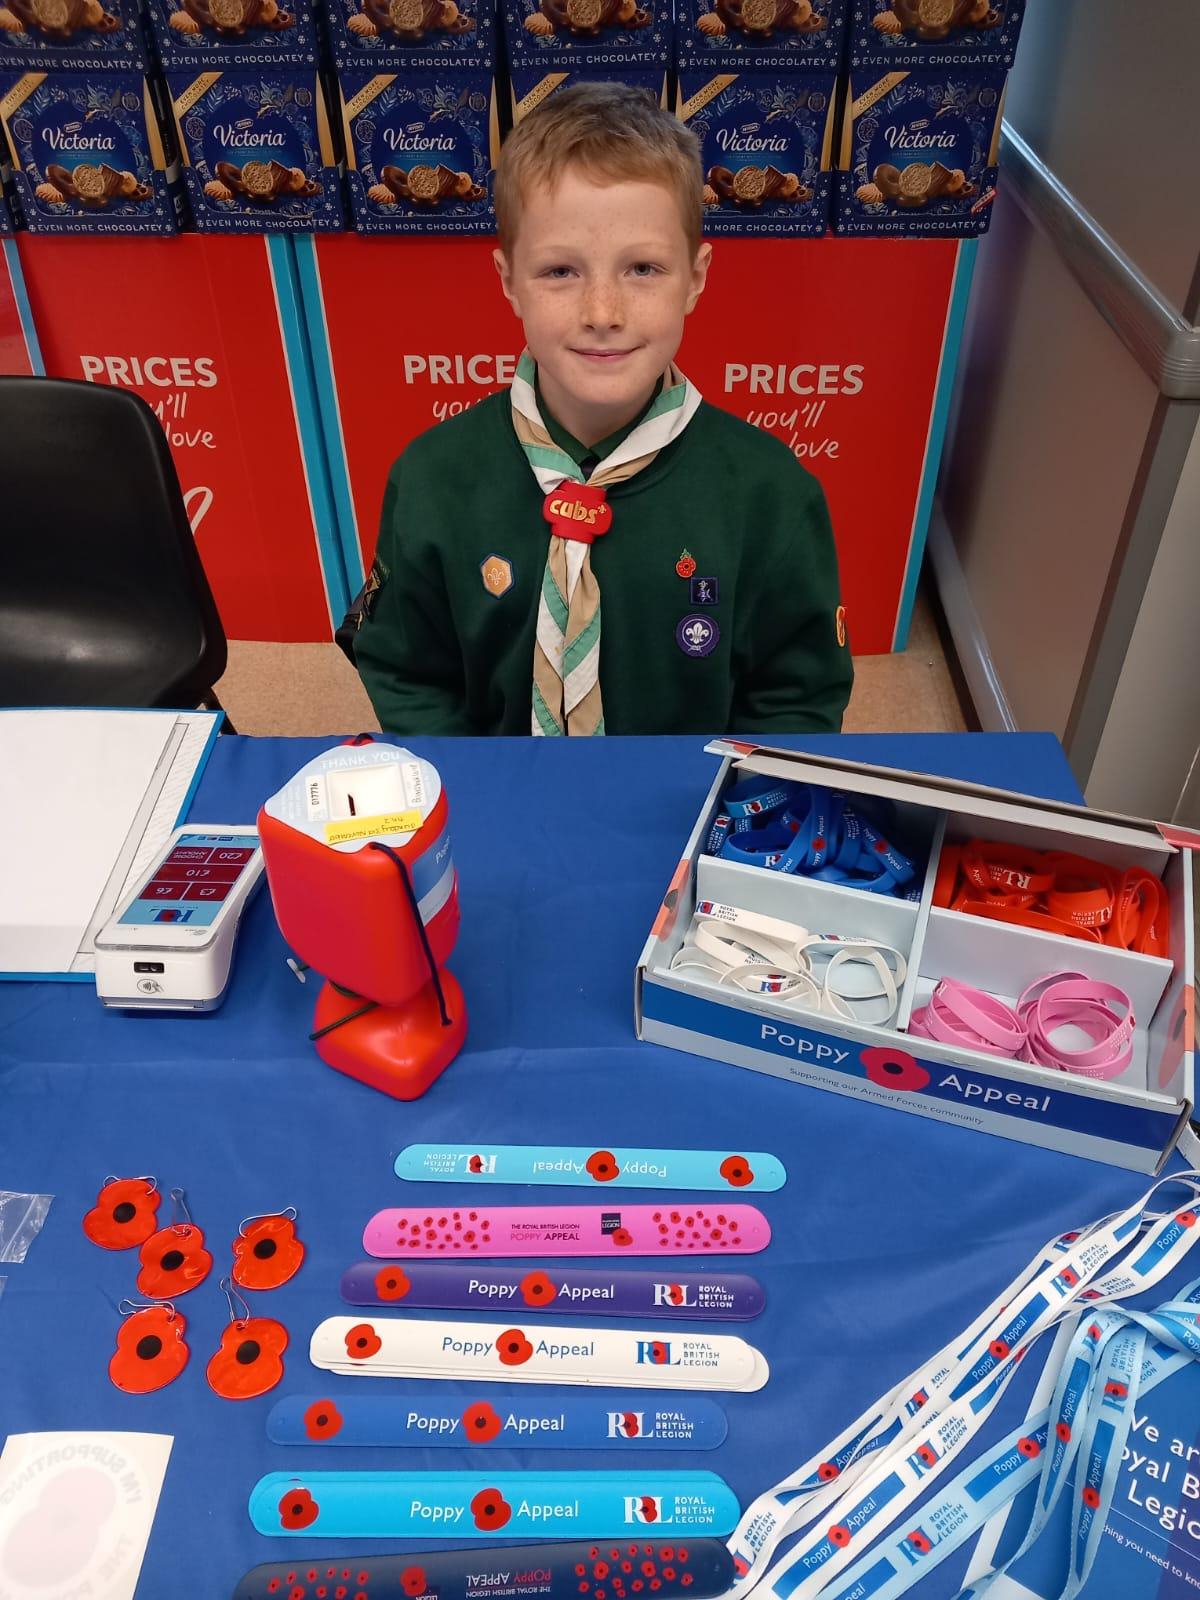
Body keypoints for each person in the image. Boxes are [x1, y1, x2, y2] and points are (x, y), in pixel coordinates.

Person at [353, 80, 853, 736]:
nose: (602, 313)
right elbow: (406, 669)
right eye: (560, 271)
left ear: (695, 278)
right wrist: (471, 777)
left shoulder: (772, 493)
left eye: (642, 269)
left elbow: (798, 697)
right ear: (509, 281)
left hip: (693, 793)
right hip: (498, 787)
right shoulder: (431, 478)